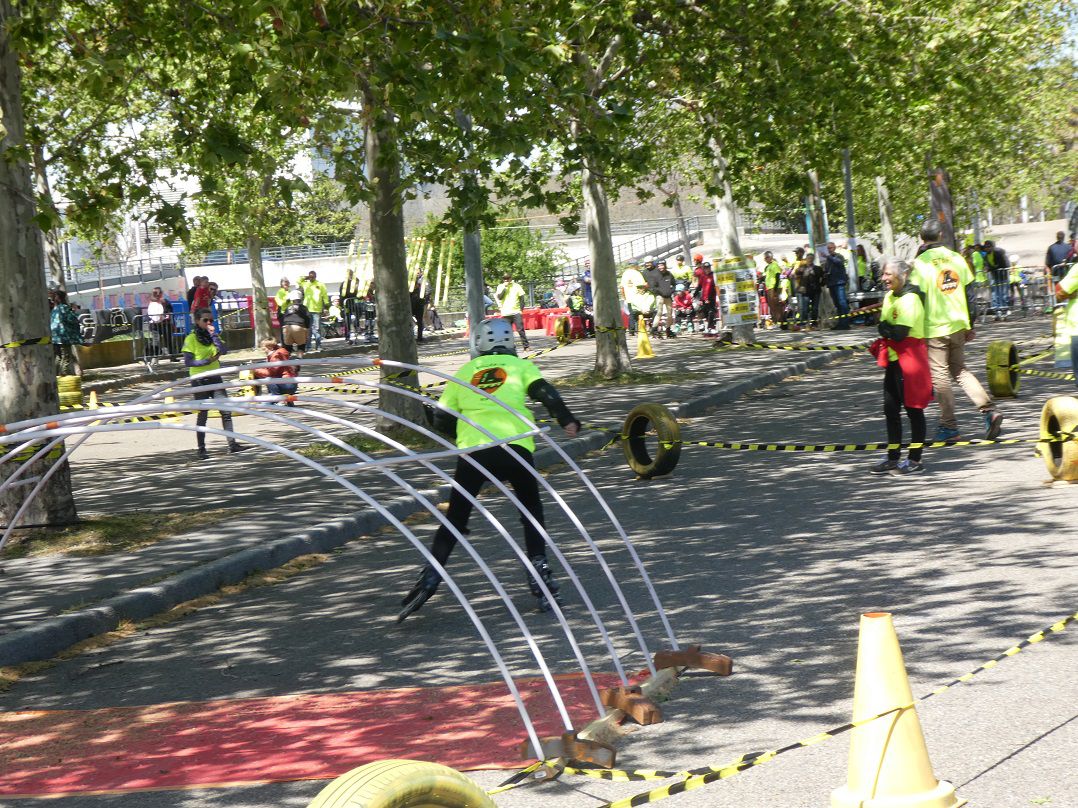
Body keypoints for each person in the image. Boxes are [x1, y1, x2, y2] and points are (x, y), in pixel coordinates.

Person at [398, 317, 581, 622]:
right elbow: (547, 393)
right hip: (516, 446)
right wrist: (566, 420)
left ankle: (431, 574)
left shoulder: (465, 371)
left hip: (474, 451)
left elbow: (441, 419)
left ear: (477, 344)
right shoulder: (521, 367)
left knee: (456, 516)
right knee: (530, 510)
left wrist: (464, 433)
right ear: (510, 342)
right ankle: (539, 571)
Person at [910, 220, 1003, 441]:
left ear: (922, 238)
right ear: (940, 235)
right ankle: (989, 411)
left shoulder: (920, 263)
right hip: (958, 323)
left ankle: (949, 426)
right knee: (960, 370)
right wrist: (971, 324)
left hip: (934, 327)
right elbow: (970, 293)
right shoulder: (956, 258)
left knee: (940, 375)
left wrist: (914, 329)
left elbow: (915, 298)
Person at [869, 259, 932, 476]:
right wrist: (885, 328)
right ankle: (893, 457)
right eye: (883, 274)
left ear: (903, 275)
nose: (884, 278)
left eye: (888, 274)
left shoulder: (911, 299)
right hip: (894, 360)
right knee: (890, 409)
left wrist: (885, 328)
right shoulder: (889, 297)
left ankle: (914, 459)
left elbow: (898, 333)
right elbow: (883, 327)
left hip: (910, 360)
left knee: (914, 410)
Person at [181, 308, 248, 460]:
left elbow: (224, 350)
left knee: (225, 411)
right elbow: (188, 362)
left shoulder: (213, 336)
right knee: (202, 414)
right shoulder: (191, 338)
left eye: (211, 320)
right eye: (205, 320)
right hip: (199, 380)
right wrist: (207, 361)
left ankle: (232, 445)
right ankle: (201, 449)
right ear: (197, 321)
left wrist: (214, 336)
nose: (209, 323)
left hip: (215, 377)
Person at [48, 289, 83, 376]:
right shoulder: (63, 308)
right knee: (66, 357)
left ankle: (56, 376)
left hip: (54, 338)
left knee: (58, 358)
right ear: (61, 298)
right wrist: (74, 310)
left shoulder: (54, 309)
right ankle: (63, 376)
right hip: (64, 338)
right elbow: (72, 319)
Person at [252, 339, 298, 405]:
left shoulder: (276, 356)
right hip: (291, 383)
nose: (263, 350)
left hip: (286, 384)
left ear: (270, 347)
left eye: (264, 348)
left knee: (268, 379)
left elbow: (270, 373)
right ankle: (287, 400)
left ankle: (278, 399)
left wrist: (254, 370)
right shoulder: (280, 352)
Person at [494, 271, 530, 350]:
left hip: (516, 311)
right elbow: (500, 297)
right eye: (504, 279)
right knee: (507, 331)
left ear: (510, 278)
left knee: (520, 329)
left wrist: (521, 309)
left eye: (507, 278)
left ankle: (526, 346)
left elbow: (522, 299)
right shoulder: (500, 286)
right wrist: (505, 288)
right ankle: (509, 347)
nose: (506, 280)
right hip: (506, 312)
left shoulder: (517, 286)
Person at [645, 259, 676, 337]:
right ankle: (654, 329)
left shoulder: (669, 274)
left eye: (662, 265)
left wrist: (671, 291)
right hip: (660, 296)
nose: (661, 267)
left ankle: (668, 330)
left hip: (668, 297)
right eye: (659, 266)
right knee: (659, 313)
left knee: (670, 314)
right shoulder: (655, 275)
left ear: (665, 265)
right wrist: (660, 293)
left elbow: (674, 284)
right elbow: (653, 287)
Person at [823, 242, 850, 330]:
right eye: (828, 248)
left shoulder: (839, 256)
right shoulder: (828, 260)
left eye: (830, 248)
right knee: (837, 304)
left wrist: (828, 256)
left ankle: (846, 323)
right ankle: (840, 323)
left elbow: (839, 263)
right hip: (831, 283)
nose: (829, 250)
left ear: (834, 248)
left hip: (839, 282)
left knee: (842, 303)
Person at [300, 270, 330, 351]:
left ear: (315, 276)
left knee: (316, 329)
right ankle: (308, 346)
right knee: (308, 329)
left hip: (317, 310)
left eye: (312, 277)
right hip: (307, 309)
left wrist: (326, 305)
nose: (311, 278)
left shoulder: (320, 284)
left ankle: (318, 346)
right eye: (310, 277)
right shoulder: (306, 284)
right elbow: (298, 280)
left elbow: (325, 295)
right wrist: (305, 277)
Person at [619, 262, 649, 336]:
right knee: (639, 313)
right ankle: (639, 329)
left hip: (628, 297)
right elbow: (642, 285)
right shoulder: (637, 273)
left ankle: (631, 330)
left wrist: (624, 297)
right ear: (636, 266)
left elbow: (622, 287)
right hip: (637, 297)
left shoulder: (625, 273)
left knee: (631, 314)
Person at [983, 239, 1010, 319]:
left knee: (1003, 294)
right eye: (986, 247)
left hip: (1003, 276)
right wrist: (989, 268)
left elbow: (1004, 264)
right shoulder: (986, 256)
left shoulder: (998, 253)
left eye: (989, 247)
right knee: (995, 294)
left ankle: (1004, 310)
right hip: (994, 276)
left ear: (992, 247)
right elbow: (988, 266)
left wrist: (992, 268)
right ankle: (997, 311)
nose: (987, 248)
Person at [145, 287, 174, 358]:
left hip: (165, 324)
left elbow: (170, 311)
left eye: (158, 293)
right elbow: (149, 314)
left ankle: (172, 356)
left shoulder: (166, 302)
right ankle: (154, 357)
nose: (157, 295)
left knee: (169, 340)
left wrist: (165, 316)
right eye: (155, 293)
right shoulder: (151, 303)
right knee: (155, 341)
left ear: (161, 293)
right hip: (154, 325)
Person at [280, 289, 311, 354]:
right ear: (301, 298)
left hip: (286, 327)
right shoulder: (303, 307)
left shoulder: (288, 307)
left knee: (288, 347)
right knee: (301, 346)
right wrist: (307, 329)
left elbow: (283, 318)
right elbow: (307, 318)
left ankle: (287, 361)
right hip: (298, 326)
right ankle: (299, 361)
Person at [693, 259, 718, 333]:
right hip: (704, 297)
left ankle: (710, 327)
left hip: (711, 297)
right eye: (705, 268)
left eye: (708, 268)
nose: (707, 269)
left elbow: (716, 286)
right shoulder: (703, 276)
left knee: (711, 311)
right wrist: (695, 294)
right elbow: (699, 286)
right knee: (705, 312)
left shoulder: (713, 275)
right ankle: (710, 326)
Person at [762, 251, 783, 329]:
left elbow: (777, 276)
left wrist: (775, 289)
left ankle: (779, 322)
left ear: (770, 257)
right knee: (771, 305)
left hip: (774, 288)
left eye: (766, 258)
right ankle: (775, 321)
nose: (765, 260)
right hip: (768, 288)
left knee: (776, 305)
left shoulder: (775, 265)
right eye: (764, 258)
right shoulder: (768, 267)